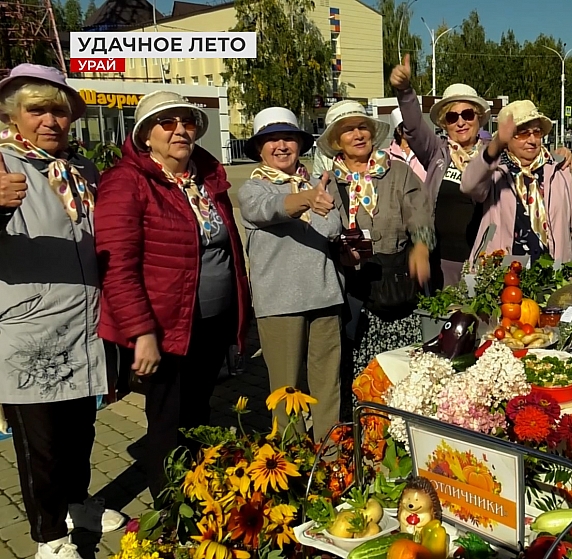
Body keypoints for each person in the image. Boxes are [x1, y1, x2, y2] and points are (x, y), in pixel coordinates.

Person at [95, 91, 250, 498]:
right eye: (168, 123)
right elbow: (117, 266)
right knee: (167, 416)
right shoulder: (126, 182)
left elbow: (227, 248)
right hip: (164, 326)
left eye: (188, 122)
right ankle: (169, 502)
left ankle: (198, 486)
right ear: (146, 135)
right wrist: (141, 332)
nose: (181, 130)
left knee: (199, 408)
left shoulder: (206, 177)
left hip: (212, 320)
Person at [0, 63, 124, 559]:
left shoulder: (83, 170)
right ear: (14, 114)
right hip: (31, 328)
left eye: (59, 110)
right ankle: (49, 536)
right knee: (42, 444)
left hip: (85, 324)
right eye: (37, 110)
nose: (50, 120)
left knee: (81, 429)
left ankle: (77, 503)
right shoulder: (2, 165)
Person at [390, 54, 572, 289]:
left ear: (479, 119)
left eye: (467, 115)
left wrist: (559, 155)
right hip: (441, 260)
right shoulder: (437, 152)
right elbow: (414, 127)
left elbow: (529, 150)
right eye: (452, 117)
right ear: (444, 124)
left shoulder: (496, 153)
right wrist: (405, 91)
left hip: (485, 260)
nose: (460, 122)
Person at [237, 107, 343, 443]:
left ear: (300, 144)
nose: (281, 146)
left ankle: (330, 460)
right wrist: (306, 199)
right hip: (279, 305)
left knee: (328, 387)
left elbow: (331, 227)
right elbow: (267, 210)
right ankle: (292, 462)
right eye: (272, 140)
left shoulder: (315, 182)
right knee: (286, 392)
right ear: (259, 149)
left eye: (288, 139)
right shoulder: (253, 189)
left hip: (325, 297)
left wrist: (313, 195)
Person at [319, 100, 434, 379]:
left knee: (404, 373)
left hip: (398, 286)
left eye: (362, 127)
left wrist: (421, 245)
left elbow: (419, 212)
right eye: (348, 130)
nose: (358, 135)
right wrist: (338, 251)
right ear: (336, 140)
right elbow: (324, 230)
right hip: (356, 295)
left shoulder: (397, 172)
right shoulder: (327, 182)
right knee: (363, 375)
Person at [461, 100, 572, 263]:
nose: (532, 140)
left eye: (537, 132)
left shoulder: (558, 169)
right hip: (503, 274)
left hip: (554, 272)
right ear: (506, 139)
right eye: (522, 133)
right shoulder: (496, 172)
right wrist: (495, 145)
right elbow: (468, 184)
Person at [387, 107, 426, 181]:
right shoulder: (386, 155)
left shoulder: (426, 152)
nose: (414, 129)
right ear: (399, 130)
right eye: (408, 126)